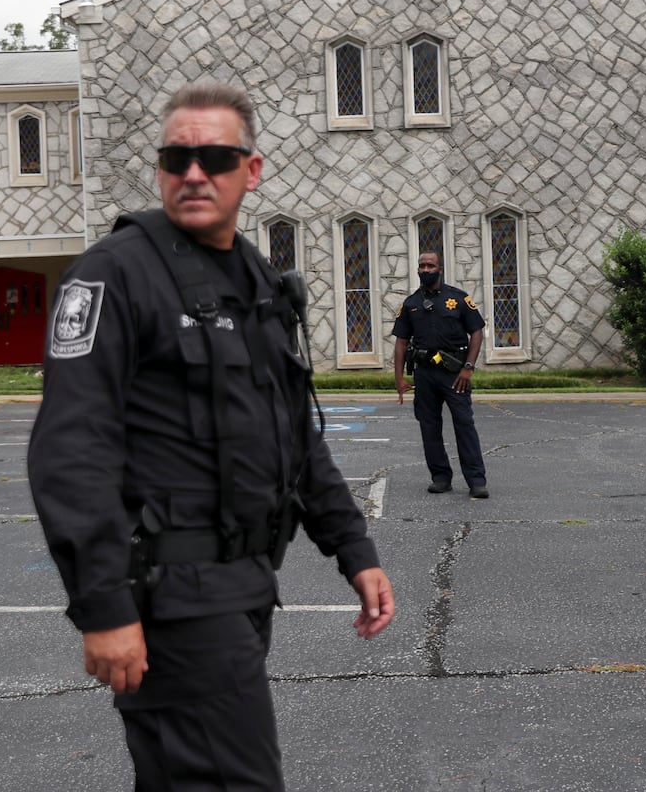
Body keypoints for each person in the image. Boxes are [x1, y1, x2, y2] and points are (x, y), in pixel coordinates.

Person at [27, 80, 395, 791]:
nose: (194, 173)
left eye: (217, 157)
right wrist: (103, 607)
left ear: (250, 171)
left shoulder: (252, 278)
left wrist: (354, 549)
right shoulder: (114, 274)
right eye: (177, 157)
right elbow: (72, 451)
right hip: (170, 598)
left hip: (243, 584)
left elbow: (292, 431)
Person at [391, 252, 489, 499]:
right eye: (422, 265)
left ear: (440, 268)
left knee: (464, 424)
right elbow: (401, 342)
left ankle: (476, 480)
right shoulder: (411, 304)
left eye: (430, 265)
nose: (426, 269)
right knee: (429, 427)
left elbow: (476, 332)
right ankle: (441, 477)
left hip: (454, 373)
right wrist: (399, 378)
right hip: (424, 374)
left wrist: (468, 367)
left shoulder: (458, 298)